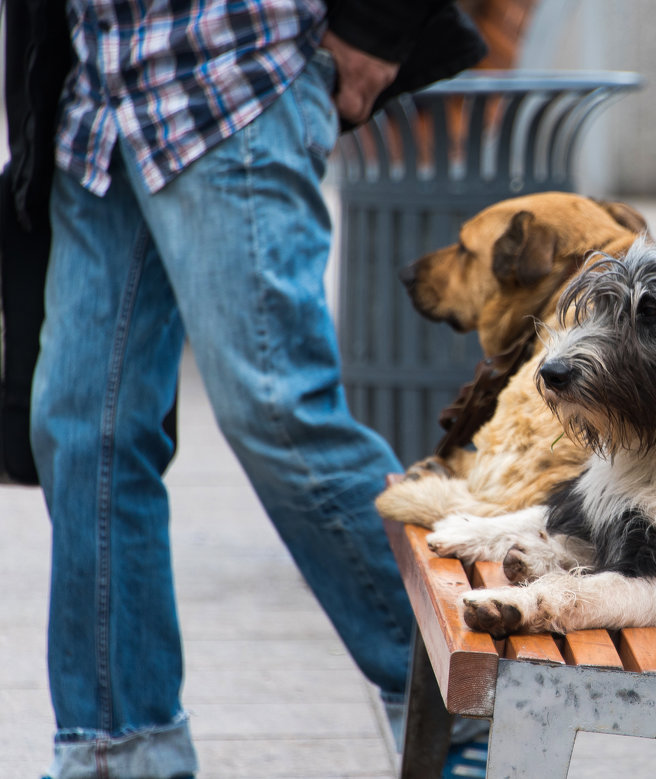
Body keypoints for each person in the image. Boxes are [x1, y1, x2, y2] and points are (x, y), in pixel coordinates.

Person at [17, 0, 485, 775]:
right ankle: (120, 750)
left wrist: (377, 23)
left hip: (231, 77)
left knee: (279, 409)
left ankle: (465, 702)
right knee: (81, 432)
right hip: (97, 103)